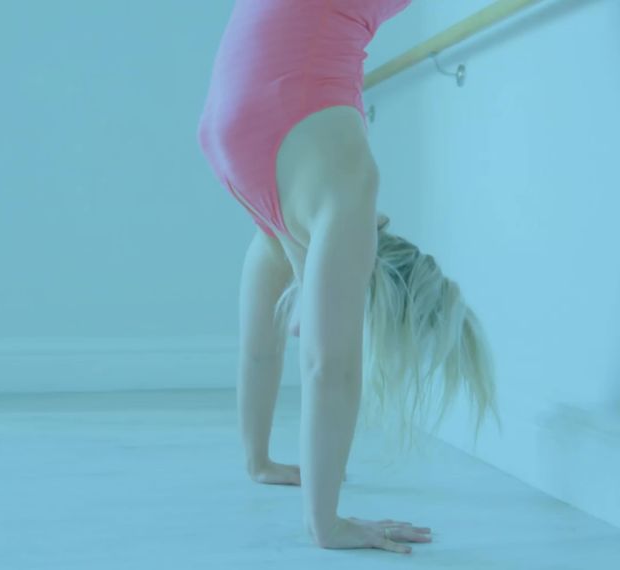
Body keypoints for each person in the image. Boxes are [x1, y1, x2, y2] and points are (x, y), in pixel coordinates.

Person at [196, 0, 501, 555]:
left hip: (246, 113)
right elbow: (327, 367)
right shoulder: (337, 192)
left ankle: (256, 457)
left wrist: (261, 460)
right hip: (240, 130)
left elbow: (264, 346)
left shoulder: (322, 189)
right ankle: (264, 465)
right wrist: (326, 522)